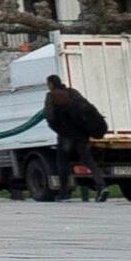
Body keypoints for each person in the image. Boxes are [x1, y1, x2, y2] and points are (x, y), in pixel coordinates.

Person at [41, 73, 112, 201]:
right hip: (82, 135)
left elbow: (49, 117)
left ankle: (64, 193)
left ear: (51, 84)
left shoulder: (51, 96)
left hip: (66, 136)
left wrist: (59, 129)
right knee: (89, 161)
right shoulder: (73, 92)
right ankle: (102, 186)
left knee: (63, 163)